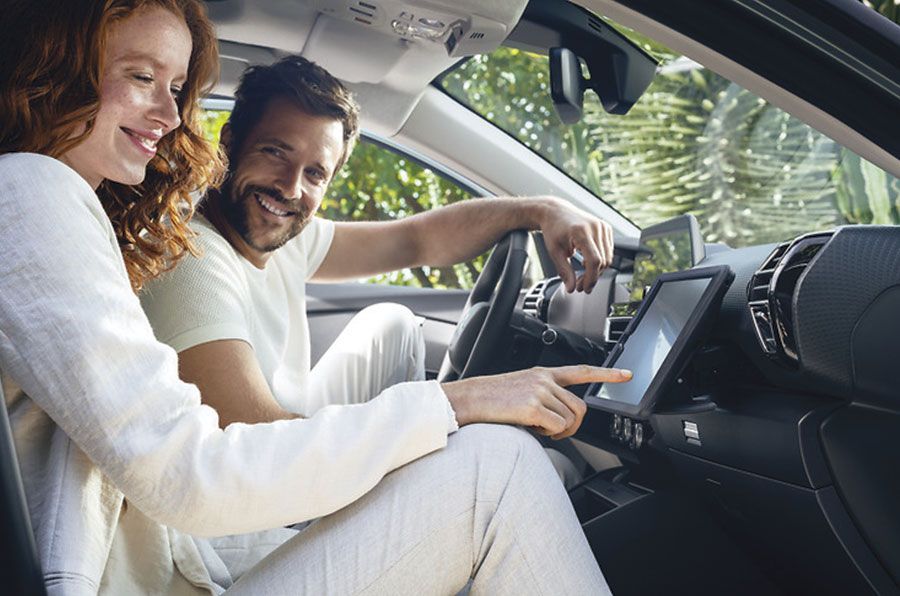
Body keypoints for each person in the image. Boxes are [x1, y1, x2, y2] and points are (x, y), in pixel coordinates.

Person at [0, 1, 631, 595]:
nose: (169, 117)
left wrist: (543, 207)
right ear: (60, 67)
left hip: (178, 563)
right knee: (500, 470)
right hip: (169, 566)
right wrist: (455, 404)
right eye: (141, 76)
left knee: (398, 331)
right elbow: (193, 472)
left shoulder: (68, 203)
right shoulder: (34, 191)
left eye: (175, 89)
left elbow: (416, 238)